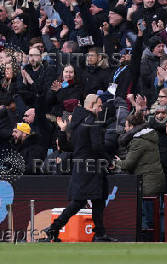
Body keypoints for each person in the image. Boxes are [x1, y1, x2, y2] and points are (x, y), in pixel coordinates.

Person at [43, 94, 117, 242]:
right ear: (91, 105)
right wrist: (109, 160)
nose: (101, 108)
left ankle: (98, 233)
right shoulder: (93, 122)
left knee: (90, 200)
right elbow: (97, 146)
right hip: (93, 167)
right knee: (93, 200)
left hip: (80, 166)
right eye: (99, 105)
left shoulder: (75, 124)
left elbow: (67, 146)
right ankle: (54, 228)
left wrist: (63, 131)